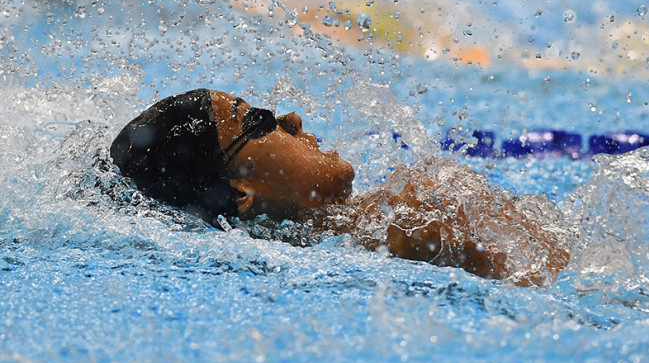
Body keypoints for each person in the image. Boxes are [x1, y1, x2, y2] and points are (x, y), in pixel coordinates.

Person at [110, 89, 570, 286]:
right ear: (242, 191)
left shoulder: (385, 223)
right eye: (258, 120)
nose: (290, 118)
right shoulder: (411, 224)